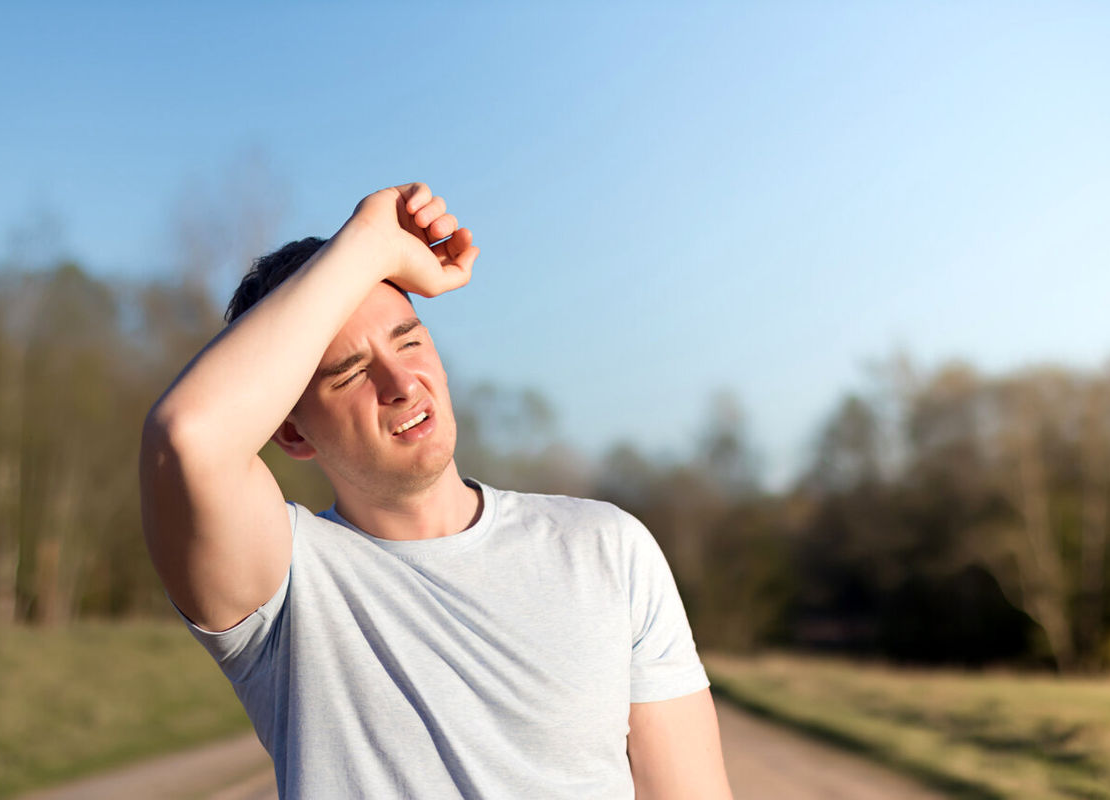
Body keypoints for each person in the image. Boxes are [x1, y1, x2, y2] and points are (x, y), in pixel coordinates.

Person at [140, 182, 732, 799]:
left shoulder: (608, 547)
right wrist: (368, 241)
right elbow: (187, 437)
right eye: (352, 375)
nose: (402, 383)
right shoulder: (284, 586)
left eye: (410, 341)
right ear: (291, 433)